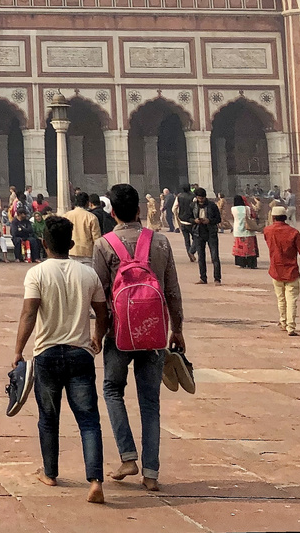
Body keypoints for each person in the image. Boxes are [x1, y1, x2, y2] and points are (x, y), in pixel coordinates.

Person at [92, 184, 184, 493]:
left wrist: (98, 333)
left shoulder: (105, 245)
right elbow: (171, 289)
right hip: (155, 332)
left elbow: (99, 298)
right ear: (140, 211)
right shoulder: (159, 242)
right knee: (150, 402)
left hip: (119, 332)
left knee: (111, 390)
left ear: (113, 212)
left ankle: (128, 456)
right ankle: (151, 473)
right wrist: (178, 329)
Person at [12, 215, 109, 505]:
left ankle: (51, 472)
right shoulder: (87, 274)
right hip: (80, 353)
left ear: (44, 243)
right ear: (71, 243)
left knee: (49, 418)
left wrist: (18, 350)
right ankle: (95, 481)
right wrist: (97, 338)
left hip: (47, 353)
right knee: (89, 420)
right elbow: (102, 313)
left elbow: (29, 314)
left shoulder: (37, 274)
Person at [263, 205, 300, 336]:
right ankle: (291, 327)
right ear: (285, 217)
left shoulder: (268, 231)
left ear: (273, 217)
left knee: (281, 299)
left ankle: (283, 322)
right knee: (291, 299)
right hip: (291, 270)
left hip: (275, 269)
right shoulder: (293, 232)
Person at [190, 188, 221, 285]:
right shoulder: (192, 206)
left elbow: (218, 219)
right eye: (199, 198)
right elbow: (187, 217)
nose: (201, 200)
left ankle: (217, 278)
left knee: (214, 256)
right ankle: (203, 278)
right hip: (198, 233)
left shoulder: (212, 205)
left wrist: (209, 221)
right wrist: (194, 221)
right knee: (201, 257)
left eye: (202, 198)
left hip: (211, 232)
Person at [64, 192, 99, 267]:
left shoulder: (66, 215)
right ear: (87, 203)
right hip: (87, 253)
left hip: (70, 251)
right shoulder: (91, 217)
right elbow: (96, 238)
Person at [231, 195, 259, 269]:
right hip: (248, 230)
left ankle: (241, 263)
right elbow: (253, 215)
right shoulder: (247, 208)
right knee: (249, 248)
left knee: (240, 247)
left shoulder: (233, 209)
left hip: (238, 230)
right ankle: (251, 263)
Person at [174, 185, 195, 261]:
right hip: (192, 220)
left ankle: (189, 253)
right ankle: (192, 251)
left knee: (186, 240)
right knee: (196, 238)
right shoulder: (193, 197)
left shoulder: (179, 196)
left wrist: (177, 216)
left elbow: (174, 208)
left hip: (182, 220)